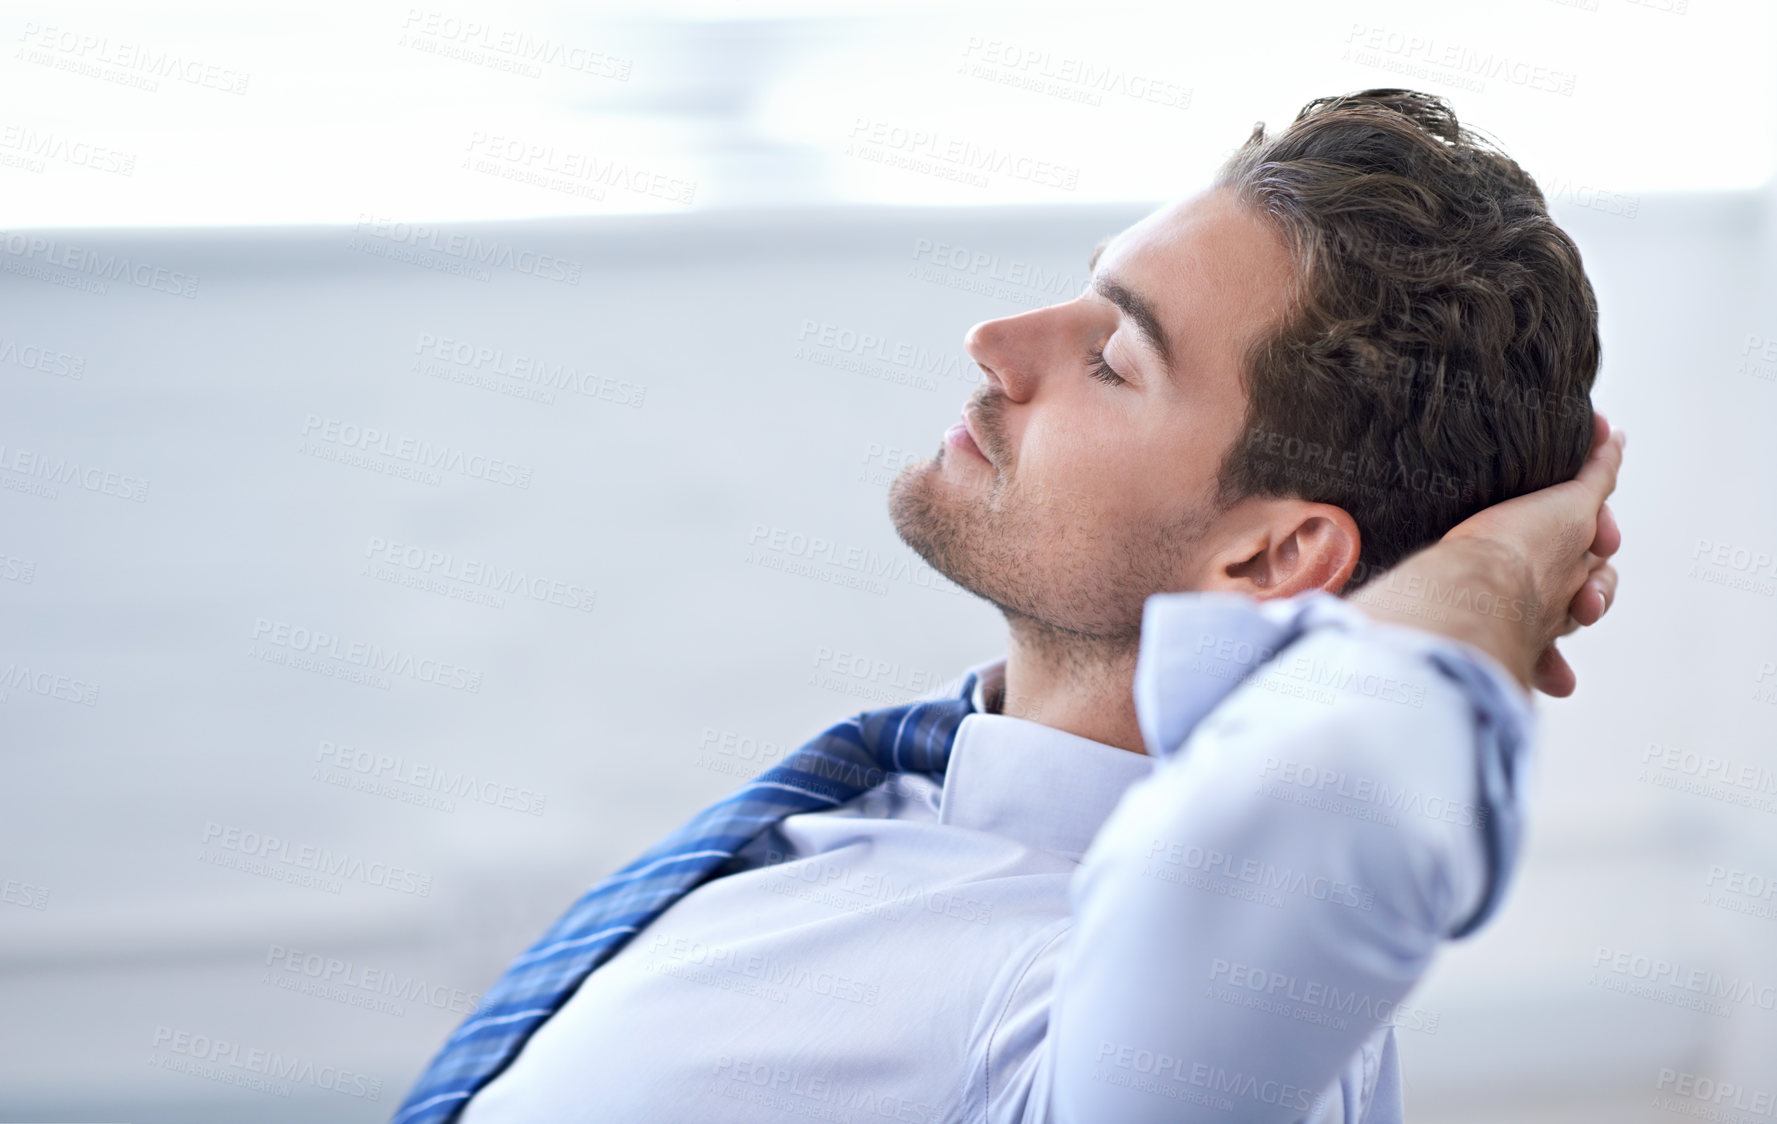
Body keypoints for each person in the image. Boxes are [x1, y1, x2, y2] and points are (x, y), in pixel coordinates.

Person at [392, 89, 1622, 1123]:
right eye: (1084, 294)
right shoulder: (913, 799)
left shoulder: (1120, 1002)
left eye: (1113, 360)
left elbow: (1302, 807)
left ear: (1269, 556)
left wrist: (1503, 572)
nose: (994, 338)